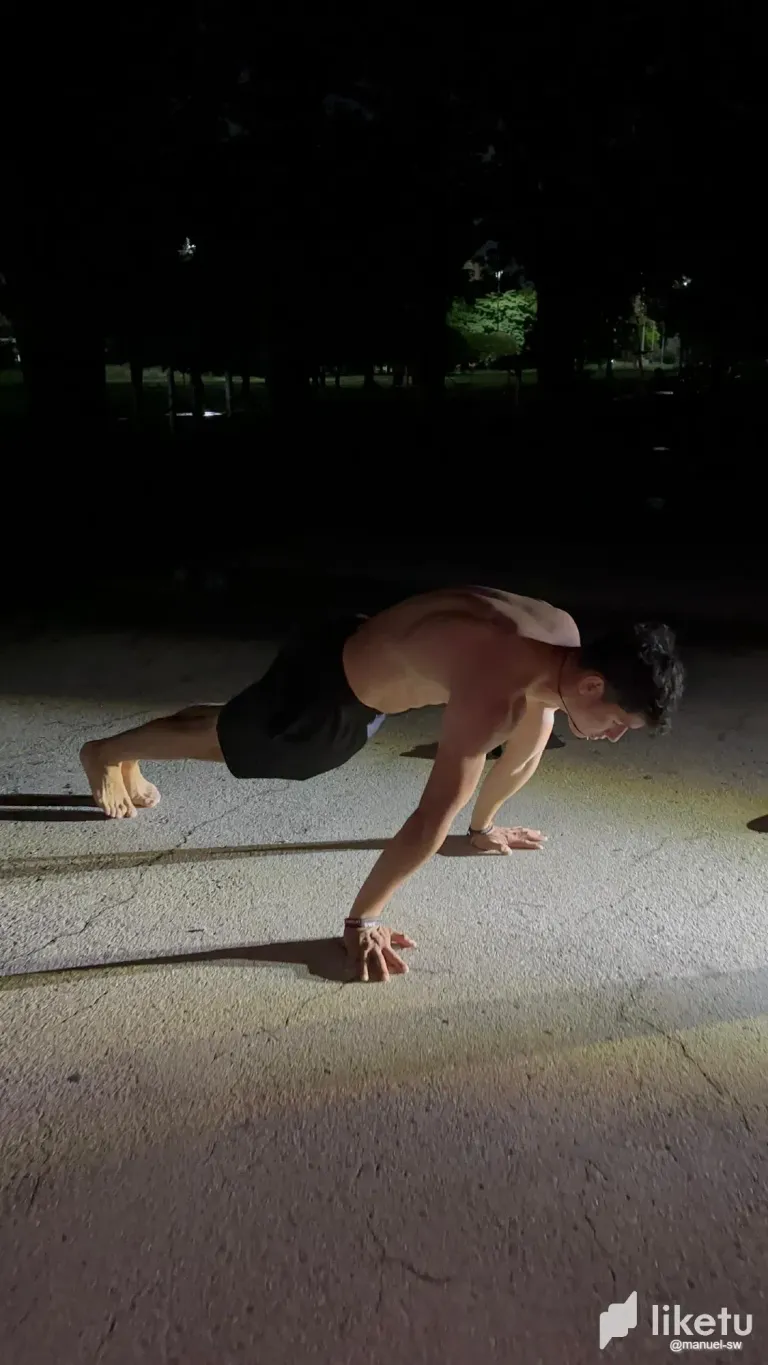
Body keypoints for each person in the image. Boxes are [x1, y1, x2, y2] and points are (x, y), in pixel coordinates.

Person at [80, 587, 684, 982]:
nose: (613, 737)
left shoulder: (562, 638)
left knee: (232, 729)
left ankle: (178, 734)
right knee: (238, 745)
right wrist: (362, 923)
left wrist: (484, 828)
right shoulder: (496, 695)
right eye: (619, 723)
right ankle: (107, 753)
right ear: (592, 686)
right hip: (330, 691)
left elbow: (526, 751)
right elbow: (430, 818)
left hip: (353, 638)